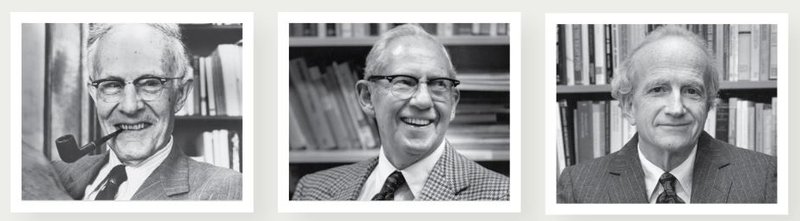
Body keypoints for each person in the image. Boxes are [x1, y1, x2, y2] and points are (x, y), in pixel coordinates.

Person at [557, 25, 777, 203]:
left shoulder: (763, 178)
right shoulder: (578, 187)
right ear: (628, 106)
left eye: (691, 91)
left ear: (708, 105)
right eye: (658, 89)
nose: (676, 108)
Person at [292, 24, 509, 201]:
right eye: (404, 82)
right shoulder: (311, 191)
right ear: (367, 97)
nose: (423, 100)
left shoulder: (503, 197)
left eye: (438, 84)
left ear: (453, 103)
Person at [51, 23, 241, 200]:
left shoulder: (227, 190)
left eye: (151, 83)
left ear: (181, 94)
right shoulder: (53, 175)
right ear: (94, 94)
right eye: (112, 85)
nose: (130, 107)